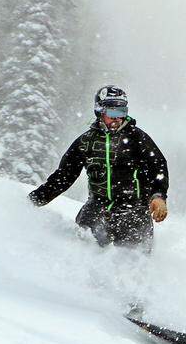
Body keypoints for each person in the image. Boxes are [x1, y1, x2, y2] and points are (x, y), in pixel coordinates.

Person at [28, 85, 169, 251]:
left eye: (122, 112)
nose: (117, 118)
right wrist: (33, 201)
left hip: (134, 212)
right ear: (100, 111)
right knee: (79, 249)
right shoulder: (87, 141)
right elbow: (64, 176)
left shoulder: (137, 138)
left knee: (130, 261)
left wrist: (158, 196)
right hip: (97, 209)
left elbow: (158, 167)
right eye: (112, 112)